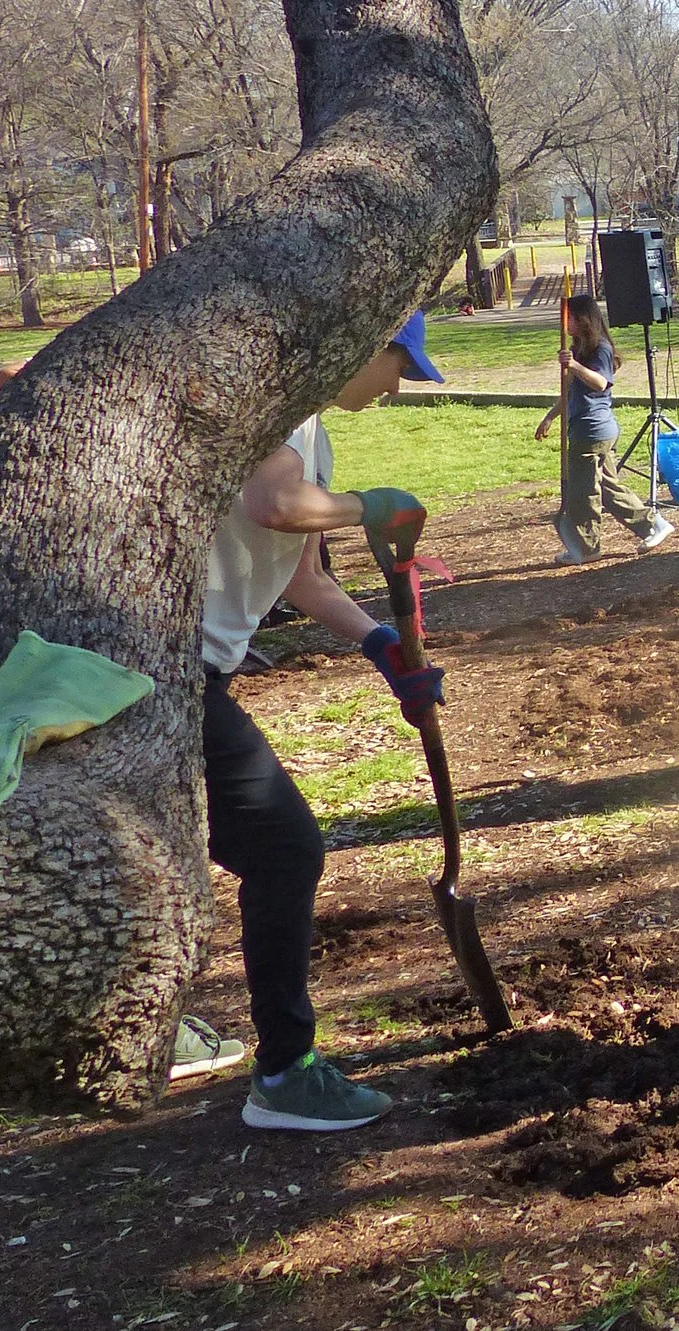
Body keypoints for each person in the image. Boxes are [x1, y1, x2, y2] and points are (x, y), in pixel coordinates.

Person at [194, 313, 450, 1129]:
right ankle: (284, 1073)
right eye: (396, 365)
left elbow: (302, 577)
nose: (396, 385)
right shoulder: (280, 408)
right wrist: (364, 505)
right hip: (166, 671)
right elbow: (273, 505)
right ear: (357, 341)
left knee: (170, 852)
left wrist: (383, 647)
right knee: (287, 849)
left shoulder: (313, 437)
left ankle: (149, 1030)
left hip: (188, 671)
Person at [534, 292, 672, 563]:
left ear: (583, 319)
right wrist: (550, 416)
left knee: (583, 492)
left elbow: (599, 383)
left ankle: (587, 547)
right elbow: (570, 390)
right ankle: (653, 525)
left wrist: (572, 365)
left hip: (593, 431)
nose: (566, 325)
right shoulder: (578, 349)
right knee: (608, 489)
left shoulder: (600, 350)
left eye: (569, 318)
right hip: (589, 429)